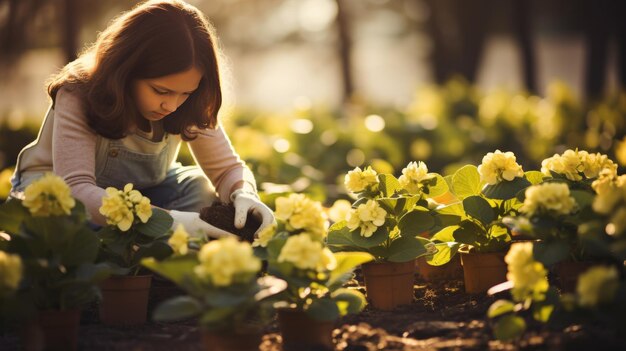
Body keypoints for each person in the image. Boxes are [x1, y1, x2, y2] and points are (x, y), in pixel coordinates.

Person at [9, 0, 274, 239]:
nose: (171, 105)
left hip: (141, 199)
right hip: (66, 201)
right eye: (161, 91)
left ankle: (153, 263)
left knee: (197, 187)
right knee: (60, 223)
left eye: (185, 93)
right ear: (126, 69)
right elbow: (77, 190)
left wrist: (244, 194)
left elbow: (227, 168)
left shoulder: (188, 104)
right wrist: (168, 221)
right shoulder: (79, 91)